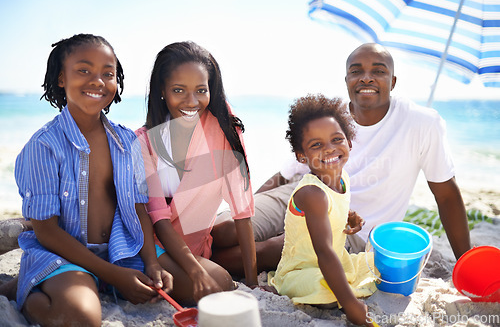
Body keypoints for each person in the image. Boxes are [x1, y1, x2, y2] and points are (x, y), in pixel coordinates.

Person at [217, 43, 471, 274]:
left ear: (392, 81)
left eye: (379, 71)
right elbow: (285, 174)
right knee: (227, 229)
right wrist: (249, 208)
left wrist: (465, 261)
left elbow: (446, 194)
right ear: (347, 79)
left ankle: (198, 265)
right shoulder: (331, 116)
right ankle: (194, 256)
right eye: (357, 71)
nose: (367, 77)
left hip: (354, 230)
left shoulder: (423, 123)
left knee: (269, 249)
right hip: (303, 192)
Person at [11, 34, 172, 326]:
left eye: (107, 73)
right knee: (83, 317)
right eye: (84, 70)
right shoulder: (44, 146)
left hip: (120, 250)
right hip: (62, 255)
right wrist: (114, 276)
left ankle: (97, 282)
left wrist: (151, 262)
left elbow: (139, 208)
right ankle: (29, 292)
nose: (97, 81)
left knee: (215, 281)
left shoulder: (126, 142)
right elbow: (46, 232)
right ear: (61, 78)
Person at [135, 41, 258, 305]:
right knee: (221, 283)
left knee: (265, 246)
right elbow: (159, 219)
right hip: (156, 247)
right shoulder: (144, 143)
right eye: (179, 90)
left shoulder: (222, 127)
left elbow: (242, 205)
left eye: (201, 90)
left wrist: (254, 282)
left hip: (199, 245)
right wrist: (195, 271)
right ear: (162, 91)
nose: (192, 101)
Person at [268, 94, 377, 327]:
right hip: (303, 271)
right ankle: (339, 293)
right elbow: (324, 252)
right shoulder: (312, 194)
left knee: (378, 263)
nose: (329, 149)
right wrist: (351, 306)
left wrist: (349, 215)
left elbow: (334, 206)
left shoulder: (342, 177)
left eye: (337, 139)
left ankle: (342, 285)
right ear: (301, 156)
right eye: (316, 145)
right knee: (329, 291)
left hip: (335, 260)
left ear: (349, 142)